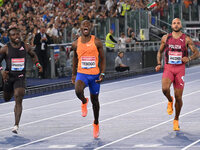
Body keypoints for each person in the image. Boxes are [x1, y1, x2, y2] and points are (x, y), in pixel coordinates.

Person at [155, 18, 199, 131]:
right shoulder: (166, 38)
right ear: (171, 25)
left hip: (180, 69)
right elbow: (159, 52)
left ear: (181, 25)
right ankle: (170, 100)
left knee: (179, 97)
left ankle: (176, 119)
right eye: (174, 23)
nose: (176, 25)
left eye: (178, 23)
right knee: (165, 89)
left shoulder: (186, 39)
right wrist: (159, 63)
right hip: (169, 67)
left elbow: (197, 53)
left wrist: (188, 58)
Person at [0, 26, 43, 133]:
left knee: (19, 96)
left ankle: (16, 125)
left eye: (18, 34)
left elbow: (33, 55)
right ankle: (8, 94)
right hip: (9, 77)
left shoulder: (26, 46)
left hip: (20, 76)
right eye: (13, 35)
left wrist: (37, 64)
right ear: (9, 37)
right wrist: (1, 71)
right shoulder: (5, 48)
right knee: (6, 98)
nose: (16, 36)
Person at [71, 19, 106, 138]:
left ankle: (96, 122)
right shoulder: (76, 43)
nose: (86, 26)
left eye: (88, 25)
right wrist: (73, 74)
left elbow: (103, 59)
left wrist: (102, 73)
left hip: (95, 75)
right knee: (78, 90)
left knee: (95, 101)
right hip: (82, 73)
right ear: (80, 28)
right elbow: (75, 58)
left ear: (90, 27)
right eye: (83, 25)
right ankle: (84, 101)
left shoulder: (97, 42)